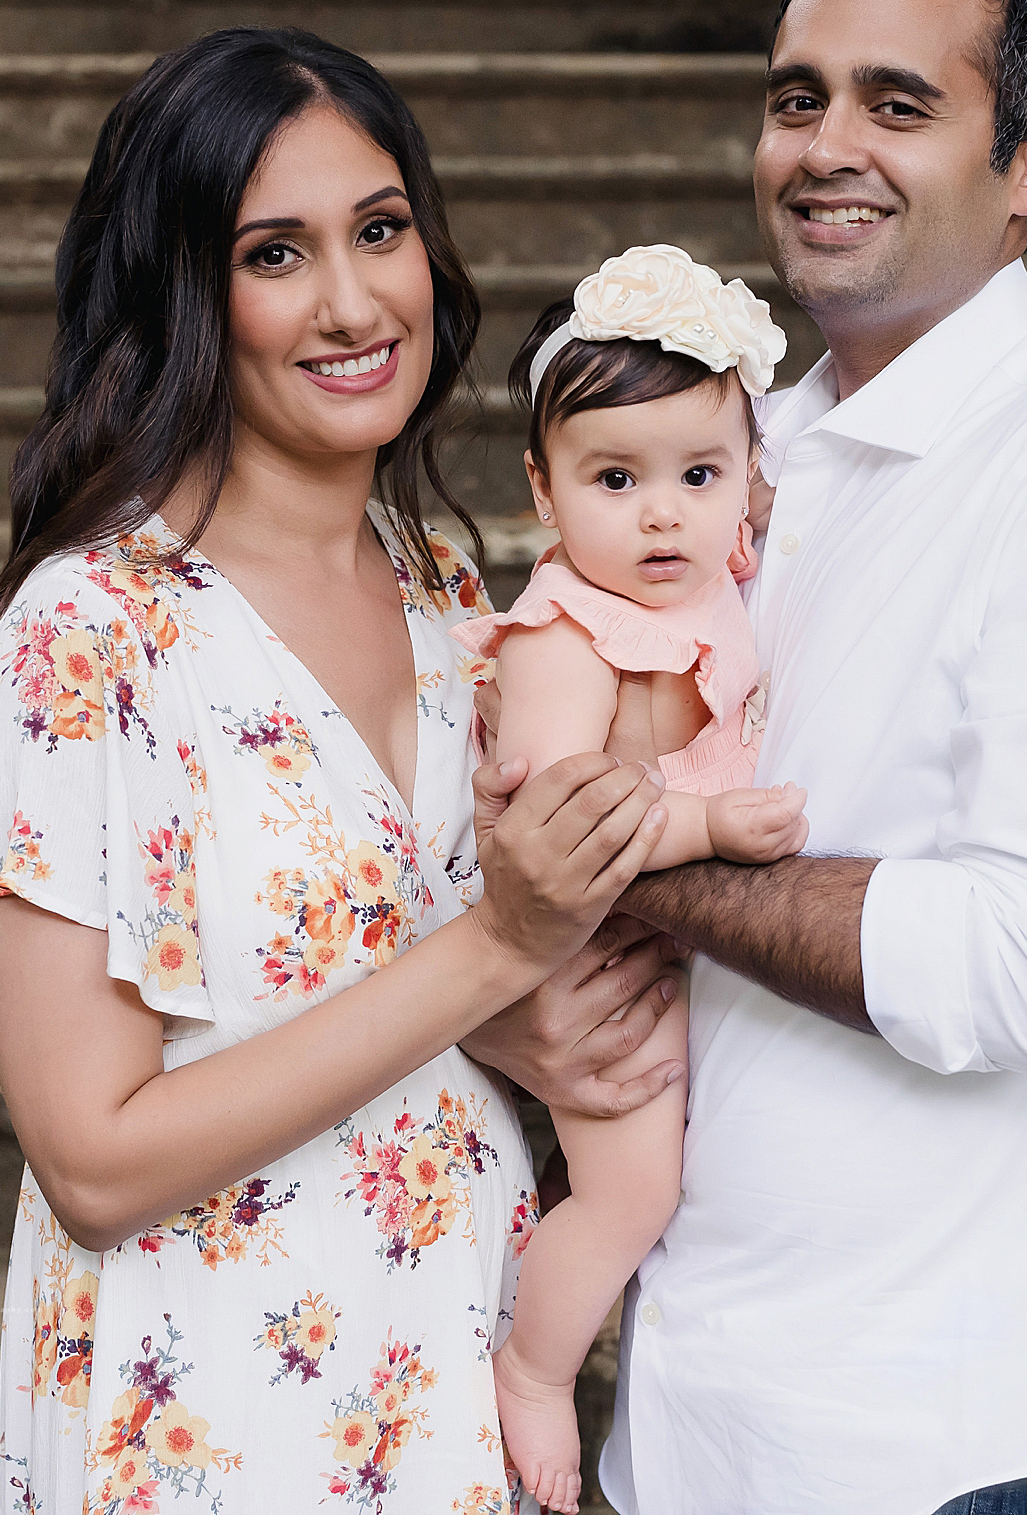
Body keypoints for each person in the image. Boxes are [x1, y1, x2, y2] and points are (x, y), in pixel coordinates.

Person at [475, 0, 1027, 1515]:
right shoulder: (747, 476)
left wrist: (633, 856)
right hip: (696, 1425)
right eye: (798, 97)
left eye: (897, 104)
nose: (825, 142)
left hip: (952, 1447)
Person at [0, 26, 690, 1515]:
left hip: (451, 1367)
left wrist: (526, 1023)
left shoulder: (453, 590)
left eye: (378, 230)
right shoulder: (93, 638)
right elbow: (95, 1158)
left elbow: (394, 985)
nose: (351, 302)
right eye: (276, 253)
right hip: (212, 1406)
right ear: (184, 293)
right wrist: (503, 946)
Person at [453, 244, 809, 1511]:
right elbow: (564, 825)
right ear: (545, 493)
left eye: (699, 475)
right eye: (617, 478)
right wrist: (708, 826)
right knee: (632, 1187)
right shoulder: (568, 631)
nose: (663, 513)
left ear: (748, 482)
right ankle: (537, 1367)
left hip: (679, 944)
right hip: (592, 957)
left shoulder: (714, 574)